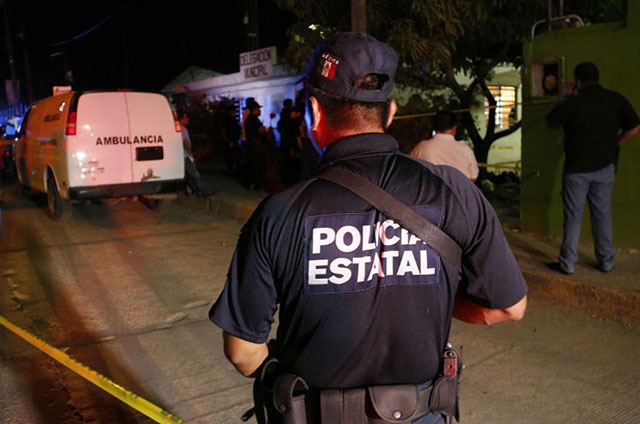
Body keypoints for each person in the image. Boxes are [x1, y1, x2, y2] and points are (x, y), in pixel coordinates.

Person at [210, 32, 527, 423]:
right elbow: (509, 307)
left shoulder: (280, 212)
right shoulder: (454, 192)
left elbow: (244, 352)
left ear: (314, 111)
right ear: (390, 111)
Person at [546, 62, 640, 274]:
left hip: (576, 170)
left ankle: (567, 264)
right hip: (605, 167)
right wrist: (617, 142)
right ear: (597, 78)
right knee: (602, 214)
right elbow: (634, 127)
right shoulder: (615, 99)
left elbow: (550, 122)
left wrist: (567, 97)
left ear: (577, 82)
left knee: (573, 216)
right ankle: (607, 261)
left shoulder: (574, 102)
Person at [410, 110, 479, 182]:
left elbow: (411, 169)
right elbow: (473, 177)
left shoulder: (421, 147)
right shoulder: (465, 150)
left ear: (434, 127)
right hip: (458, 192)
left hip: (429, 191)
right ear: (454, 128)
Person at [180, 113, 212, 196]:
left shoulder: (175, 129)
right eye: (186, 117)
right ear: (181, 119)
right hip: (185, 156)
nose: (188, 119)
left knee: (187, 175)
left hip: (179, 156)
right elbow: (186, 143)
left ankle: (190, 190)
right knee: (195, 174)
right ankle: (204, 191)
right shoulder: (182, 129)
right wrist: (191, 155)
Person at [243, 98, 270, 190]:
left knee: (257, 166)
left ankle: (256, 183)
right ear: (254, 110)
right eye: (258, 109)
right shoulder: (251, 119)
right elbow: (252, 134)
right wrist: (261, 132)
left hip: (256, 146)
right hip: (254, 147)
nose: (259, 111)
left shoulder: (255, 119)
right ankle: (256, 184)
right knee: (255, 166)